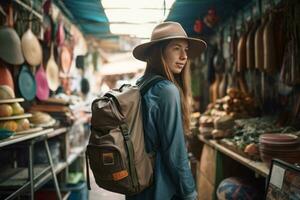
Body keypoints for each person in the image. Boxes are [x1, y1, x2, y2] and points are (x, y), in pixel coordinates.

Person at [128, 21, 206, 200]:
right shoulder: (166, 90)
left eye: (186, 50)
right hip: (161, 189)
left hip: (138, 185)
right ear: (159, 52)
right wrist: (189, 193)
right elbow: (175, 151)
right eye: (176, 48)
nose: (184, 56)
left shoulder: (141, 84)